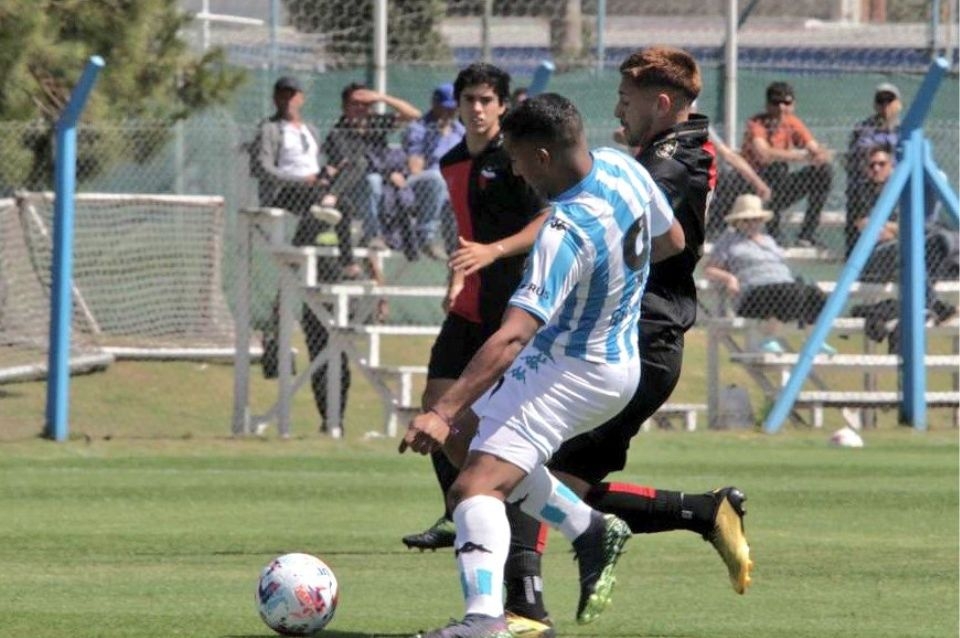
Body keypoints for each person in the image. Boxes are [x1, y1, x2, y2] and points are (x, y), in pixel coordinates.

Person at [399, 92, 685, 638]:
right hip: (608, 356)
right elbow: (671, 239)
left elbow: (511, 338)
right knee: (463, 438)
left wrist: (439, 410)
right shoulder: (622, 167)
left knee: (473, 487)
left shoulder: (563, 233)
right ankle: (590, 529)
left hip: (574, 370)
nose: (517, 171)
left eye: (518, 159)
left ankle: (484, 621)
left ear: (544, 157)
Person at [398, 63, 554, 635]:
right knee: (437, 408)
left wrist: (494, 252)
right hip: (470, 306)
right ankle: (462, 509)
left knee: (495, 438)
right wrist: (459, 275)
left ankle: (518, 569)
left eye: (487, 99)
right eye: (470, 99)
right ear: (458, 104)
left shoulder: (516, 160)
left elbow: (548, 219)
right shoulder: (450, 162)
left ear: (503, 105)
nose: (478, 108)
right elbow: (466, 233)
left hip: (512, 308)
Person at [251, 75, 363, 438]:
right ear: (275, 97)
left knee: (349, 177)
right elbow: (262, 168)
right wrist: (302, 181)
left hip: (316, 189)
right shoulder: (269, 129)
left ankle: (343, 247)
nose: (287, 100)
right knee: (331, 203)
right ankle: (327, 211)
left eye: (292, 94)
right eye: (281, 94)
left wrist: (323, 177)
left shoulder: (311, 129)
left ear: (301, 97)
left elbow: (320, 162)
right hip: (288, 191)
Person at [703, 194, 833, 354]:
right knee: (789, 292)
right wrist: (729, 278)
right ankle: (768, 339)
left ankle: (815, 340)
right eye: (746, 220)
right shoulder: (728, 240)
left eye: (756, 220)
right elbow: (709, 269)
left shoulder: (768, 240)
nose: (752, 224)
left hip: (784, 287)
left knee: (816, 295)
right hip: (753, 293)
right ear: (737, 221)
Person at [714, 81, 833, 246]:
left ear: (793, 105)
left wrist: (819, 154)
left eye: (786, 103)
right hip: (753, 184)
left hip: (779, 186)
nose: (781, 108)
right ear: (767, 105)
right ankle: (772, 232)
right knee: (774, 168)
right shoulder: (757, 123)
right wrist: (803, 156)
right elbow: (763, 153)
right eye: (776, 103)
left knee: (823, 171)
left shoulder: (792, 123)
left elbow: (815, 149)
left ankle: (807, 234)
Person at [321, 82, 421, 250]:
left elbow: (414, 115)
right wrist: (387, 174)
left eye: (366, 104)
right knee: (373, 180)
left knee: (426, 181)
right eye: (355, 103)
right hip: (352, 190)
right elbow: (352, 166)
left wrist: (381, 97)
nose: (360, 108)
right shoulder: (338, 132)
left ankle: (419, 238)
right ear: (344, 107)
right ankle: (372, 235)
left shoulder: (375, 123)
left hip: (385, 186)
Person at [400, 83, 466, 260]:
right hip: (421, 183)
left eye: (453, 108)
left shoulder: (459, 131)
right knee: (437, 178)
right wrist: (435, 134)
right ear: (435, 104)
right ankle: (425, 236)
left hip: (451, 185)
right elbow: (415, 167)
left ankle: (455, 252)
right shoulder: (419, 128)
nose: (450, 112)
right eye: (446, 108)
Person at [845, 84, 901, 250]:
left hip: (896, 186)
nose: (885, 106)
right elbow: (866, 154)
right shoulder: (864, 129)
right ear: (875, 105)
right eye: (881, 101)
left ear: (898, 104)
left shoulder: (905, 129)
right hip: (867, 186)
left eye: (889, 101)